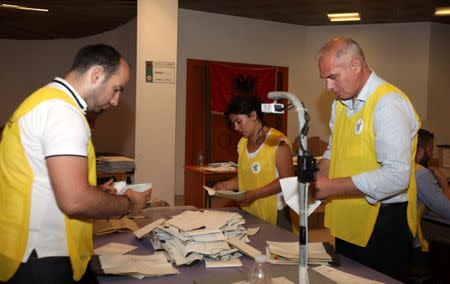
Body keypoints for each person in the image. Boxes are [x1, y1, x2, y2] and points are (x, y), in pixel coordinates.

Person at [0, 44, 151, 283]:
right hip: (42, 258)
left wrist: (98, 193)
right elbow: (75, 200)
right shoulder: (63, 113)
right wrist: (128, 203)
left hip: (23, 249)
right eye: (116, 89)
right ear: (96, 75)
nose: (115, 101)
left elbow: (42, 179)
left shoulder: (44, 101)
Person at [310, 37, 420, 282]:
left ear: (355, 66)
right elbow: (333, 149)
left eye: (332, 77)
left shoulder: (388, 103)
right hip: (349, 218)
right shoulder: (339, 104)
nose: (328, 87)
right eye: (325, 79)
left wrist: (331, 186)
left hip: (383, 223)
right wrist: (318, 175)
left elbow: (397, 176)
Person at [213, 94, 294, 230]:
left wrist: (255, 194)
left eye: (239, 121)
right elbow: (247, 175)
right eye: (234, 123)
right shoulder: (242, 143)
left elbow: (287, 180)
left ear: (253, 116)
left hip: (275, 213)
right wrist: (228, 185)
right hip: (250, 211)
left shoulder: (278, 143)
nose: (236, 128)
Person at [414, 129, 450, 251]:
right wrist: (443, 180)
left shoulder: (405, 168)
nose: (432, 154)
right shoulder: (421, 174)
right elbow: (447, 210)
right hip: (415, 245)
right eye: (430, 150)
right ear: (419, 150)